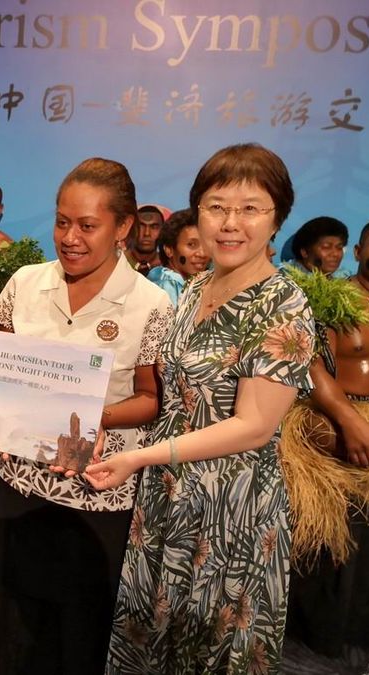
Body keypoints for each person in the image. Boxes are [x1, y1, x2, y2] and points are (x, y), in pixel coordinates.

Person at [85, 143, 315, 673]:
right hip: (166, 494)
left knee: (205, 647)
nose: (231, 223)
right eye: (216, 207)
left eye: (250, 208)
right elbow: (172, 399)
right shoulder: (194, 289)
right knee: (150, 639)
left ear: (277, 217)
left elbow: (254, 427)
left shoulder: (284, 306)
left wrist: (140, 457)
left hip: (228, 509)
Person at [0, 158, 174, 674]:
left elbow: (151, 399)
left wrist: (93, 418)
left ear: (123, 226)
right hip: (19, 481)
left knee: (77, 629)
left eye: (88, 225)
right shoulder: (25, 281)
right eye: (62, 221)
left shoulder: (151, 304)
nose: (70, 238)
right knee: (14, 621)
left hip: (96, 490)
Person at [285, 216, 369, 657]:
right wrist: (350, 421)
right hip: (337, 417)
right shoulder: (332, 300)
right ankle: (319, 634)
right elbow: (309, 365)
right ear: (360, 251)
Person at [147, 207, 210, 306]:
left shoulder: (193, 283)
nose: (202, 254)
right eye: (191, 244)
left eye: (206, 244)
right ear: (169, 249)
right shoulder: (168, 284)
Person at [125, 204, 164, 275]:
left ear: (162, 231)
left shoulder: (169, 267)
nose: (147, 233)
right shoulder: (116, 262)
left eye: (154, 227)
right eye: (141, 226)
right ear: (131, 229)